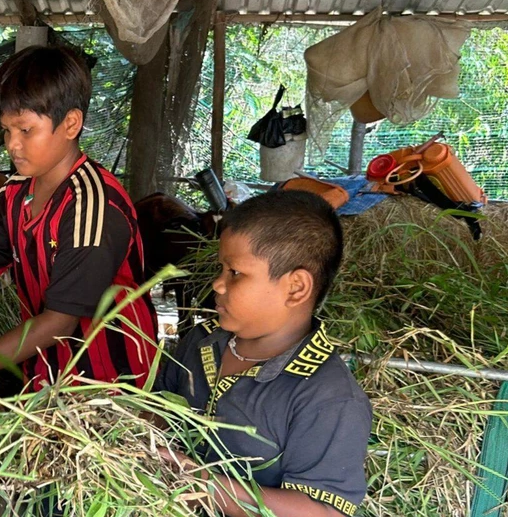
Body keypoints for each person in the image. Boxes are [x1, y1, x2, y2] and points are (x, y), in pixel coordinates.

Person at [0, 45, 158, 393]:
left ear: (70, 124)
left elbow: (59, 322)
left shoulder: (92, 205)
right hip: (44, 378)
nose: (12, 145)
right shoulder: (14, 194)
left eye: (25, 130)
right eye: (7, 131)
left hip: (108, 387)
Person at [155, 190, 372, 517]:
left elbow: (323, 511)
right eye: (221, 268)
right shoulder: (199, 343)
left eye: (235, 273)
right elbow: (158, 406)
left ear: (296, 288)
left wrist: (202, 484)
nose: (217, 284)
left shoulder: (326, 398)